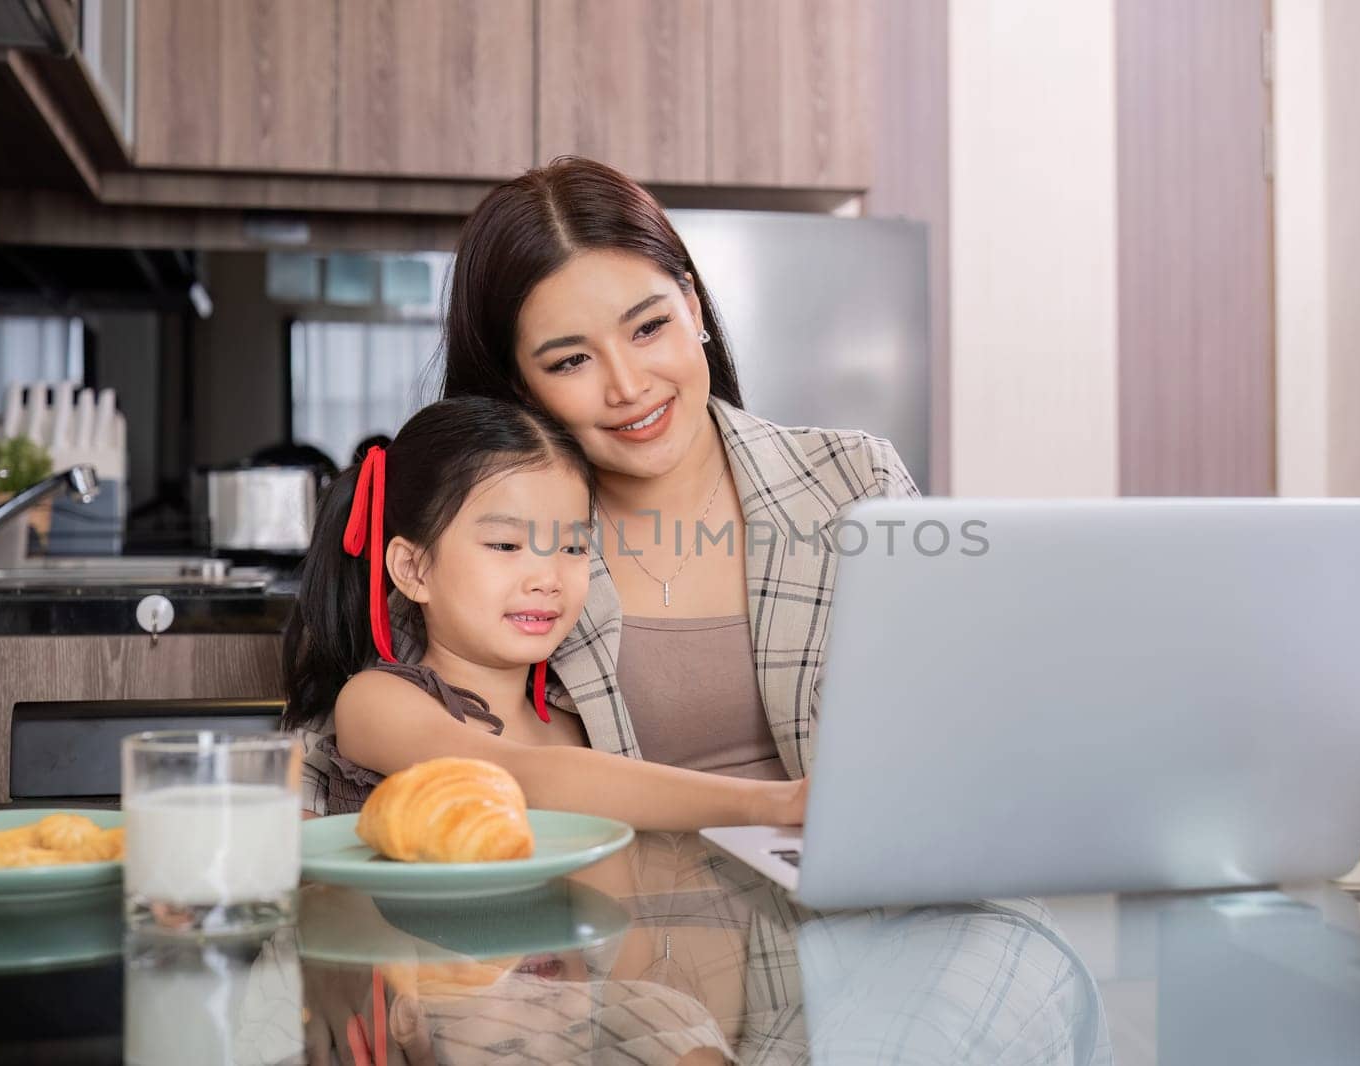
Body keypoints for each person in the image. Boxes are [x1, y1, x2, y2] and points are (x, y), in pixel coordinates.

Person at [440, 157, 920, 781]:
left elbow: (950, 722)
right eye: (570, 362)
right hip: (603, 880)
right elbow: (342, 761)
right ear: (521, 386)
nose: (628, 387)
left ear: (692, 308)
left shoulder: (858, 483)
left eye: (648, 328)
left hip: (833, 876)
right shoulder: (477, 532)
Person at [281, 395, 805, 830]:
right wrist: (774, 802)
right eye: (507, 546)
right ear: (413, 569)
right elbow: (522, 778)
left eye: (574, 549)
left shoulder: (577, 718)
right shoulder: (379, 703)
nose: (547, 578)